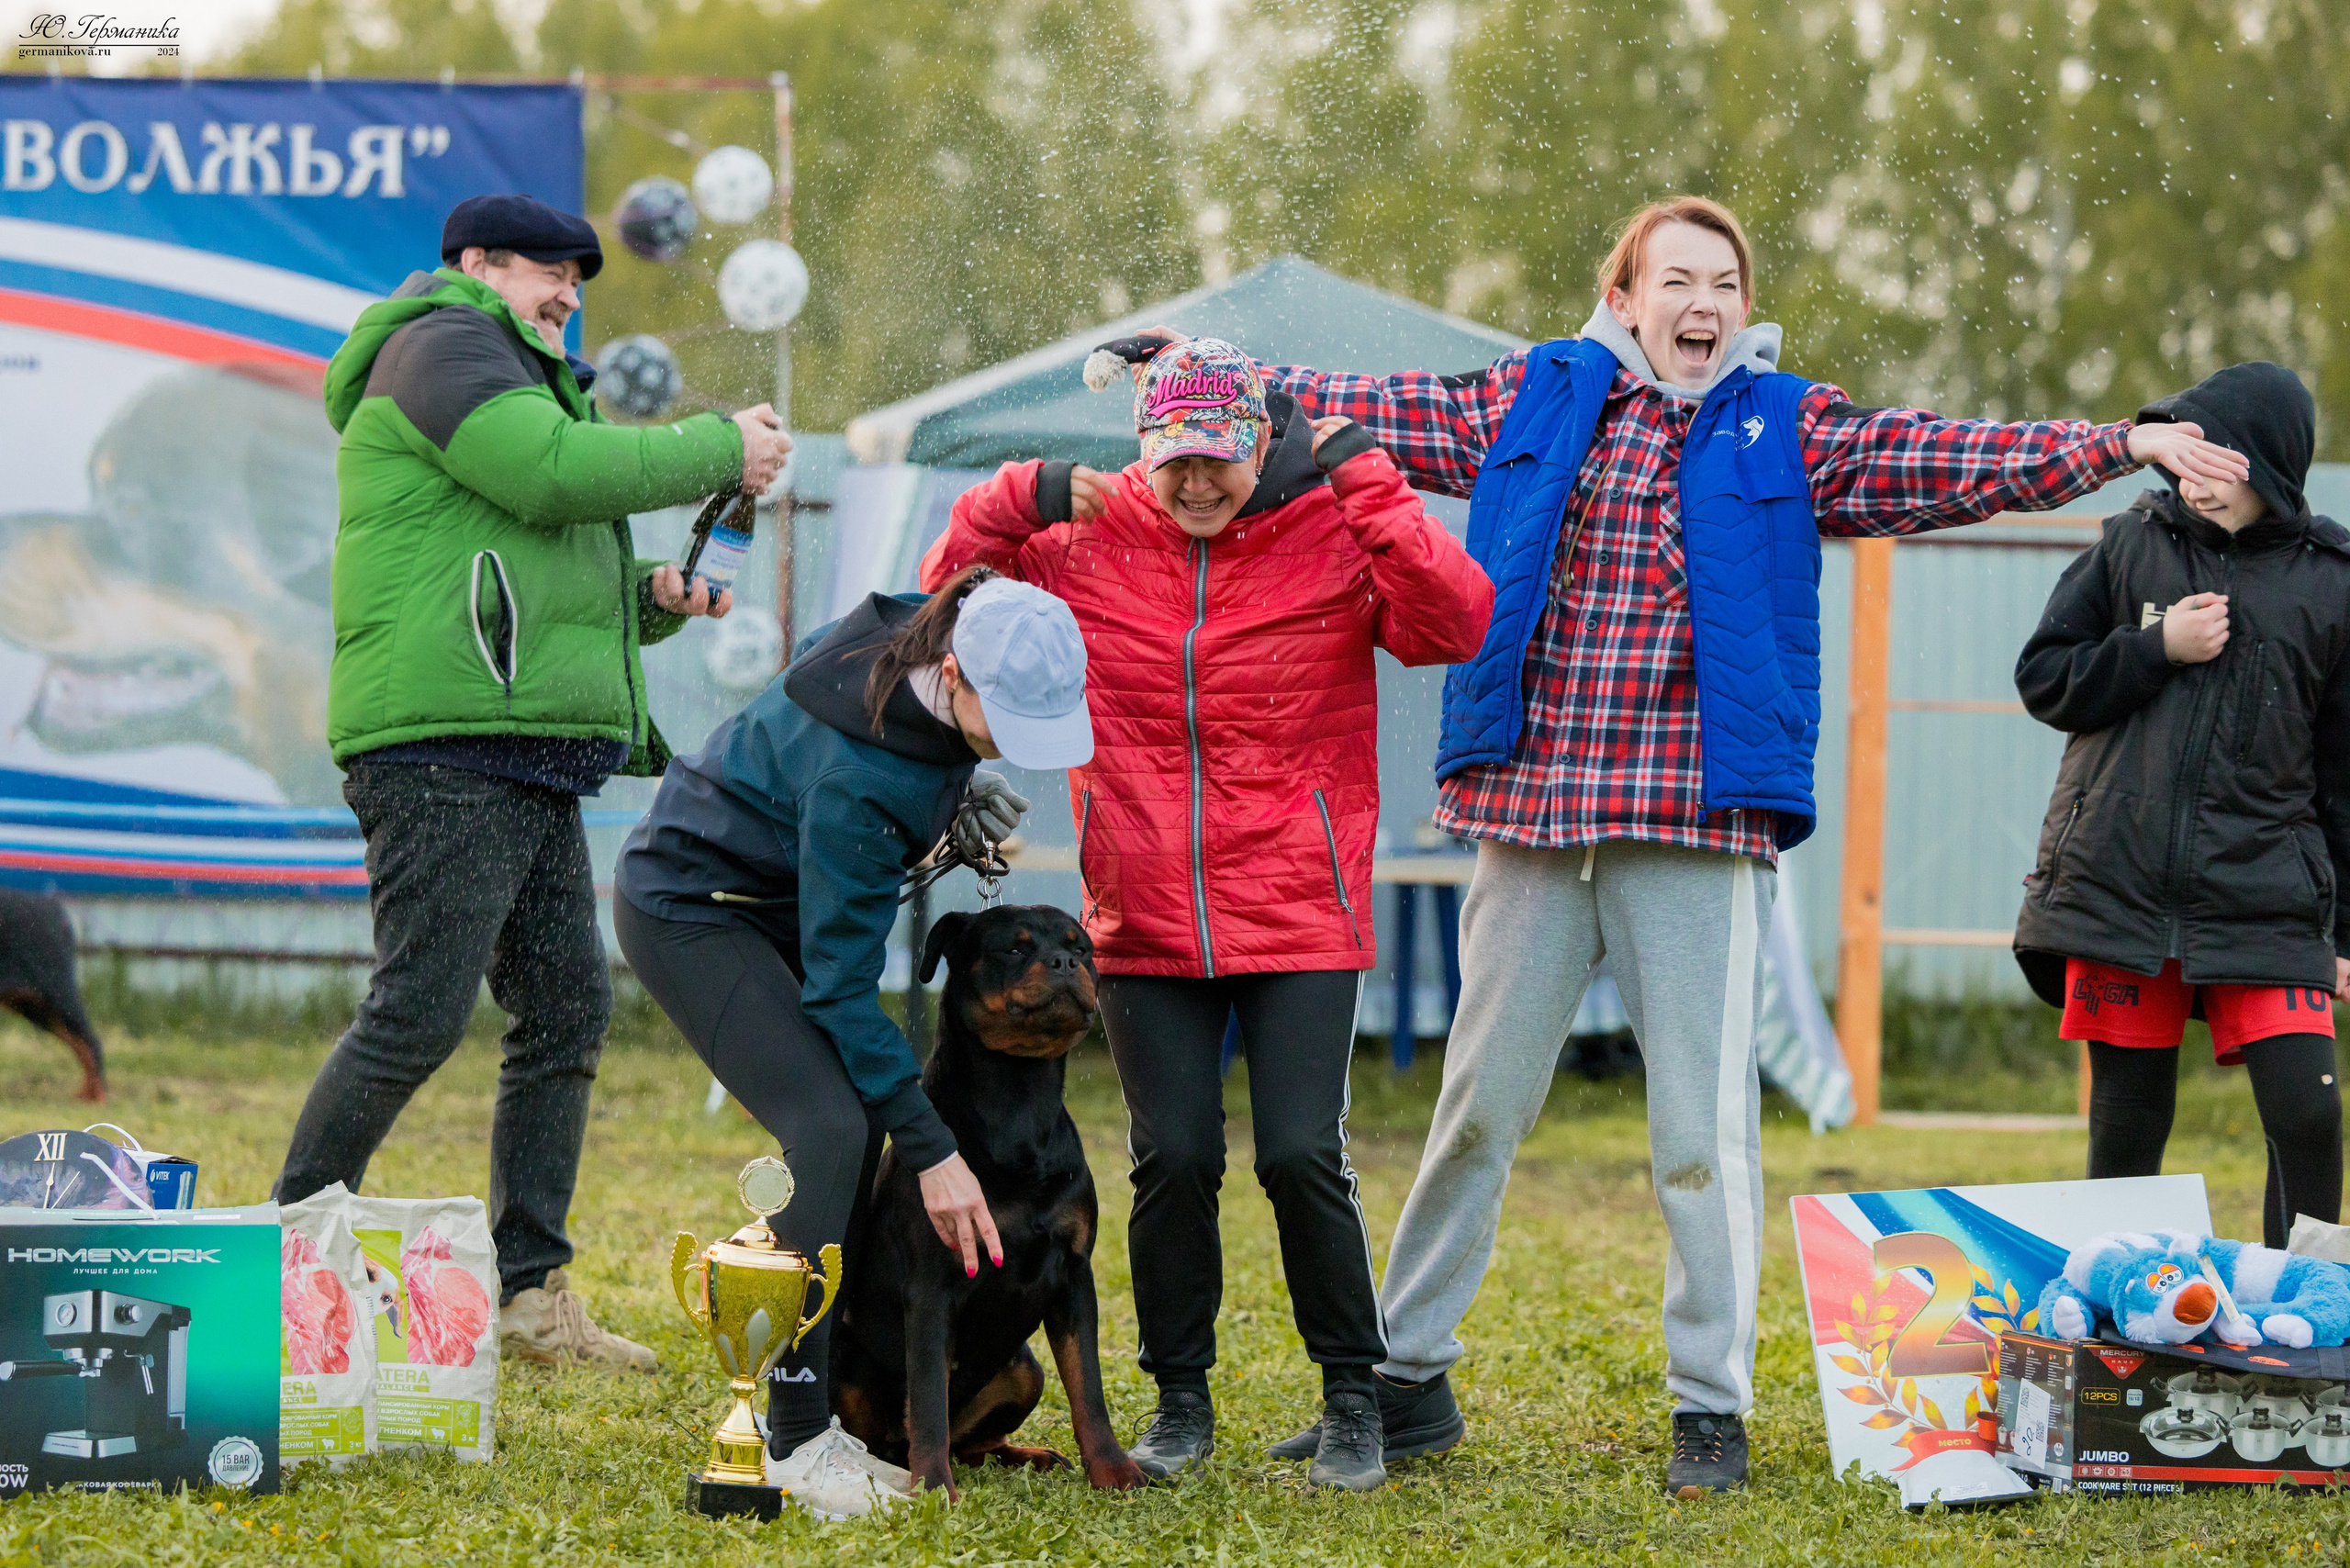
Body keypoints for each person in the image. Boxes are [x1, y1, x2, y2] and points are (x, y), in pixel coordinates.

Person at [1137, 196, 2251, 1495]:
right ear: (1623, 298)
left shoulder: (1788, 424)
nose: (1702, 301)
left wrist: (2119, 441)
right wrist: (1212, 373)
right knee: (1476, 1111)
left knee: (1698, 1133)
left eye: (1722, 280)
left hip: (1695, 816)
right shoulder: (1535, 397)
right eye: (1677, 278)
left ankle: (1708, 1406)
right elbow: (1361, 405)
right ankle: (1408, 1378)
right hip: (1534, 808)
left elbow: (1954, 455)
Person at [919, 339, 1494, 1491]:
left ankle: (1351, 1401)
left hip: (1297, 905)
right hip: (1140, 915)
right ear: (1141, 447)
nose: (1194, 484)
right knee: (1170, 1158)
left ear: (1259, 443)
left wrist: (1370, 481)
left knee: (1298, 1154)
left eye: (1217, 461)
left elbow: (1453, 621)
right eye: (1172, 459)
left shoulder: (1331, 527)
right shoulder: (1082, 539)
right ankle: (1180, 1401)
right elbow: (940, 611)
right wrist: (1002, 499)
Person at [273, 193, 791, 1371]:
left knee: (564, 1011)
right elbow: (553, 476)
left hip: (511, 747)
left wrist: (645, 601)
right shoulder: (441, 344)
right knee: (417, 1013)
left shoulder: (514, 372)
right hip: (443, 747)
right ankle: (283, 1255)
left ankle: (530, 1294)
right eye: (547, 271)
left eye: (578, 277)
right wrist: (722, 446)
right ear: (475, 264)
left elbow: (534, 560)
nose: (568, 292)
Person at [614, 567, 1093, 1518]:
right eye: (1001, 723)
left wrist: (956, 790)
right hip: (690, 908)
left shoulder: (923, 631)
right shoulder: (858, 783)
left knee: (851, 1121)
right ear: (953, 671)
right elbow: (841, 993)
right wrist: (936, 1153)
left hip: (772, 899)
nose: (1016, 749)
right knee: (833, 1125)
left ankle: (830, 1399)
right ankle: (793, 1438)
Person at [2014, 363, 2350, 1251]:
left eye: (2214, 459)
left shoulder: (2333, 579)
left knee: (2308, 1117)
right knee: (2126, 1128)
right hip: (2116, 884)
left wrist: (2342, 930)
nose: (2190, 476)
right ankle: (2120, 1340)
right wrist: (2154, 646)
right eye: (2184, 457)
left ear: (2269, 466)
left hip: (2269, 894)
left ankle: (2304, 1332)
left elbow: (2343, 772)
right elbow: (2047, 681)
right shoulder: (2129, 545)